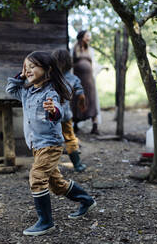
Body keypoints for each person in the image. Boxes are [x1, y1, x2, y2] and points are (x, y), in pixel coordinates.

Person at [6, 51, 96, 236]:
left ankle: (46, 221)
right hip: (37, 145)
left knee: (37, 177)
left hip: (50, 145)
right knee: (57, 184)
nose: (28, 70)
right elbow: (10, 89)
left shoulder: (50, 92)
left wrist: (52, 110)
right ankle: (86, 200)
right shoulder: (26, 91)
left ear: (47, 69)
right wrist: (20, 75)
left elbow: (57, 115)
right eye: (26, 67)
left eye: (32, 67)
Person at [51, 48, 87, 172]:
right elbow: (81, 94)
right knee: (70, 138)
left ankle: (50, 166)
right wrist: (81, 104)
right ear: (69, 62)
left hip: (50, 115)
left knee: (51, 140)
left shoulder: (49, 78)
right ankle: (77, 165)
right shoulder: (73, 79)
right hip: (65, 115)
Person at [72, 30, 102, 135]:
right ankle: (75, 125)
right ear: (81, 37)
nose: (89, 38)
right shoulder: (74, 48)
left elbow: (94, 64)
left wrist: (102, 67)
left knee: (92, 99)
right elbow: (70, 63)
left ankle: (95, 126)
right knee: (77, 98)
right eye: (87, 36)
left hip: (89, 80)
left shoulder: (90, 50)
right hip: (78, 79)